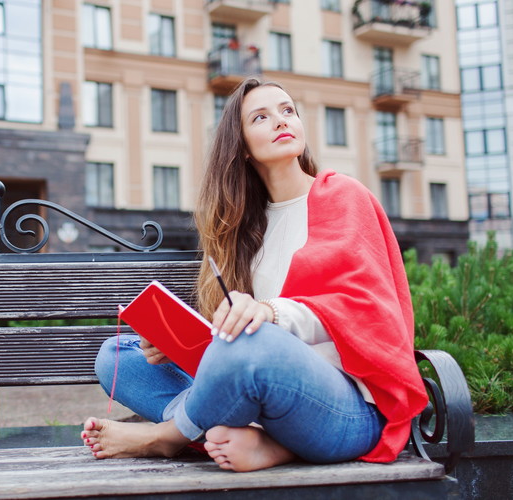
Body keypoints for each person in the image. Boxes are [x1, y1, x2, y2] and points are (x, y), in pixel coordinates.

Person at [81, 78, 427, 472]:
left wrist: (269, 314)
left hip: (348, 409)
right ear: (242, 147)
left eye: (287, 110)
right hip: (263, 390)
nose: (281, 121)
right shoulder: (246, 231)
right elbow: (234, 343)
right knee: (116, 357)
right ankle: (264, 439)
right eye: (261, 117)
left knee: (258, 340)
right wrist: (177, 345)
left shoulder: (342, 196)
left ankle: (170, 437)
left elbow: (365, 307)